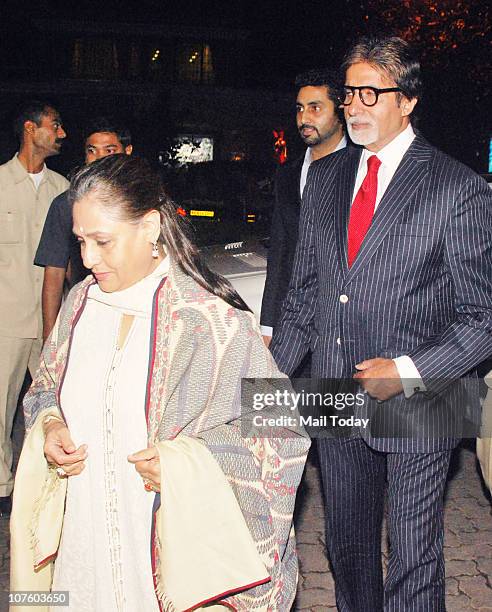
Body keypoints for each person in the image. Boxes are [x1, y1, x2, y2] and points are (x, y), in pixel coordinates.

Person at [11, 154, 310, 611]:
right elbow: (46, 386)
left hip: (170, 552)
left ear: (149, 227)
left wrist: (187, 464)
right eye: (81, 242)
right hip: (84, 541)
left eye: (103, 242)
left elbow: (281, 431)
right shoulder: (78, 307)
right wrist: (50, 426)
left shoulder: (211, 321)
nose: (88, 259)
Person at [270, 35, 492, 611]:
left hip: (428, 391)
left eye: (373, 93)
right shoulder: (323, 178)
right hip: (334, 389)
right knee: (347, 545)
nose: (356, 106)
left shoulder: (459, 187)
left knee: (415, 551)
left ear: (408, 100)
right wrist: (261, 379)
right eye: (350, 94)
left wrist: (411, 371)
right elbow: (301, 299)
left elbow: (483, 318)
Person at [0, 100, 67, 518]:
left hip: (52, 323)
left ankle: (52, 490)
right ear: (30, 129)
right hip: (6, 320)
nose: (61, 134)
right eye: (55, 126)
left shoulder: (63, 188)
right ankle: (3, 489)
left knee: (55, 410)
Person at [260, 69, 346, 353]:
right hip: (292, 324)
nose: (304, 118)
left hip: (344, 329)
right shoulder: (288, 173)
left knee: (333, 399)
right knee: (264, 396)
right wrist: (268, 326)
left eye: (315, 108)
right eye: (299, 109)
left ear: (340, 111)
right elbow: (280, 253)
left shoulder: (363, 169)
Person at [35, 117, 133, 341]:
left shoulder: (144, 202)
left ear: (127, 151)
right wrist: (50, 339)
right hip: (85, 317)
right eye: (92, 150)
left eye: (109, 150)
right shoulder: (66, 204)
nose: (99, 158)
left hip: (136, 314)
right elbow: (54, 274)